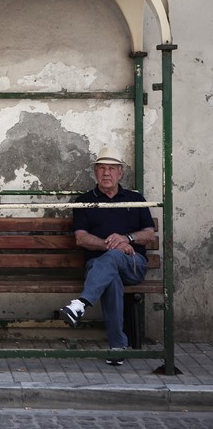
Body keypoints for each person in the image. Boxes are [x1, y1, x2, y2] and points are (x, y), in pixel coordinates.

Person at [59, 147, 155, 365]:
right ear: (95, 171)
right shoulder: (84, 201)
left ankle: (81, 304)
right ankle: (117, 347)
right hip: (100, 265)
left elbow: (149, 234)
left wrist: (127, 238)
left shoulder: (135, 199)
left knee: (111, 262)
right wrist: (112, 245)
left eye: (111, 168)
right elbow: (81, 238)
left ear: (120, 172)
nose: (106, 173)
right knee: (111, 277)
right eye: (102, 168)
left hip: (133, 264)